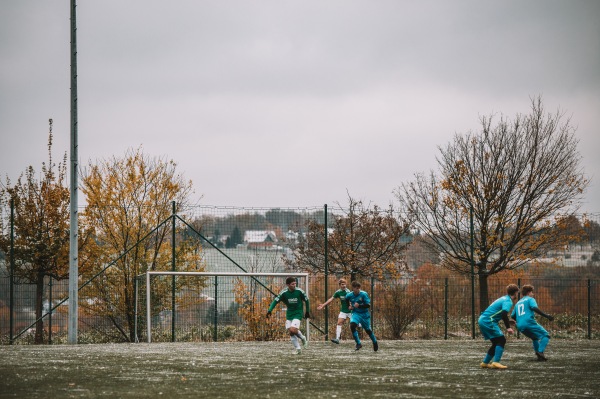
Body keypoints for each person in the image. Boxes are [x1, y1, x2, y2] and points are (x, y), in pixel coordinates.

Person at [478, 284, 519, 369]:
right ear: (515, 292)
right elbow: (504, 314)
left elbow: (497, 313)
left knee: (496, 342)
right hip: (488, 321)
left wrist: (508, 321)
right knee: (501, 340)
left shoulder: (503, 298)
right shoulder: (508, 301)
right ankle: (496, 362)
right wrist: (508, 327)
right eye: (517, 293)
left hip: (483, 319)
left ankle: (485, 363)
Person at [266, 276, 311, 354]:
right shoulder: (284, 293)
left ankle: (303, 338)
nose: (294, 285)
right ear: (288, 285)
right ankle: (298, 349)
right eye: (292, 284)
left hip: (298, 313)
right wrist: (269, 310)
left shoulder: (299, 291)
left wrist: (307, 311)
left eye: (295, 284)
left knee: (293, 329)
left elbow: (307, 300)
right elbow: (275, 301)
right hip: (289, 314)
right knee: (291, 332)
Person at [511, 284, 554, 361]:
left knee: (534, 338)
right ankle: (540, 352)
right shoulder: (530, 299)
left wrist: (520, 320)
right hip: (529, 322)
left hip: (520, 326)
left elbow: (513, 315)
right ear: (528, 292)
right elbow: (534, 308)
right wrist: (547, 316)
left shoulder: (518, 303)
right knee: (545, 335)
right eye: (532, 292)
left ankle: (539, 356)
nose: (533, 294)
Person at [345, 281, 378, 352]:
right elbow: (346, 299)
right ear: (353, 288)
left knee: (368, 330)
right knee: (352, 325)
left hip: (364, 314)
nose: (357, 290)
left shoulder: (363, 294)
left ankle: (375, 342)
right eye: (355, 288)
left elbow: (368, 305)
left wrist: (359, 306)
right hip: (356, 313)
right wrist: (349, 306)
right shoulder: (349, 295)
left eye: (358, 288)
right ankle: (358, 343)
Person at [317, 278, 352, 344]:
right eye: (342, 284)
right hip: (343, 311)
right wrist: (323, 305)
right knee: (339, 323)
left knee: (356, 324)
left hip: (351, 311)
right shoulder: (338, 292)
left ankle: (366, 329)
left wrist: (351, 305)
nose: (344, 285)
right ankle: (337, 339)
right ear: (339, 285)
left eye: (345, 284)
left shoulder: (348, 292)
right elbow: (331, 299)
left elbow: (351, 300)